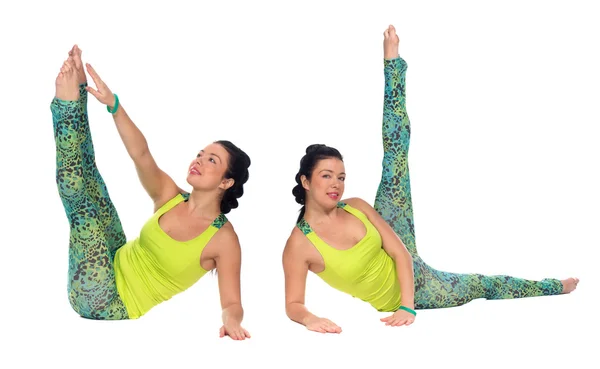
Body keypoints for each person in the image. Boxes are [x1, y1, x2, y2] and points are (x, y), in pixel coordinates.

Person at [282, 25, 579, 333]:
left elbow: (399, 252)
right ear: (305, 181)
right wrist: (310, 319)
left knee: (395, 155)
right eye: (326, 176)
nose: (336, 184)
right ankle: (554, 286)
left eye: (341, 176)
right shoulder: (298, 245)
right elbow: (293, 304)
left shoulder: (354, 205)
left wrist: (408, 306)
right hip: (425, 288)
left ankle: (392, 62)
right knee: (480, 285)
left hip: (413, 278)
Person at [51, 45, 252, 340]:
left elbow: (232, 302)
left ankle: (65, 106)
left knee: (80, 204)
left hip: (106, 301)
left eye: (212, 160)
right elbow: (141, 154)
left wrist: (231, 321)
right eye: (200, 154)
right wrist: (113, 104)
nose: (198, 160)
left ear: (226, 182)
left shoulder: (224, 239)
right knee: (91, 179)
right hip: (113, 255)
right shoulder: (171, 197)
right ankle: (79, 91)